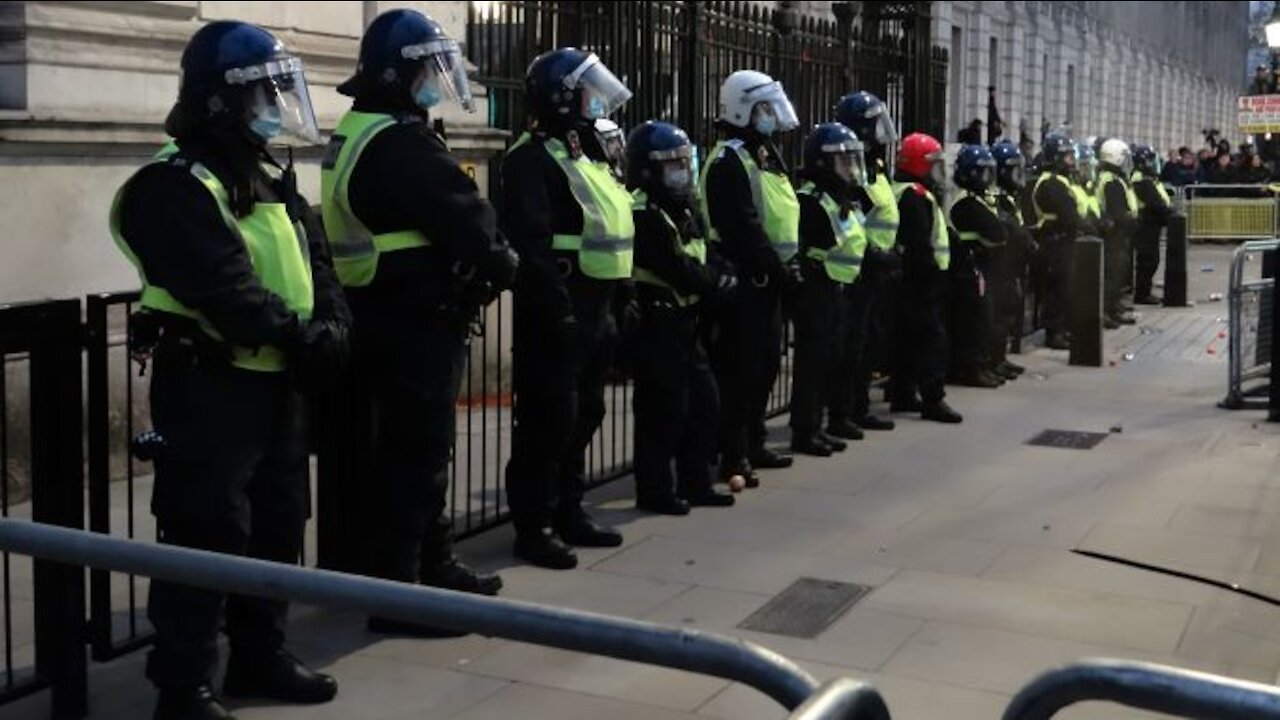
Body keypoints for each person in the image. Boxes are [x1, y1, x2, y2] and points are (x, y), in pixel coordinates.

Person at [110, 20, 347, 719]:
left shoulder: (268, 173)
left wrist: (333, 325)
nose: (276, 104)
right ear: (220, 100)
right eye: (264, 92)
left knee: (277, 525)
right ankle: (183, 685)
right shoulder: (173, 183)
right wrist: (305, 340)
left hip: (278, 382)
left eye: (281, 89)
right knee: (206, 531)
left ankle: (258, 655)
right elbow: (223, 287)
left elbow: (318, 258)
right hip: (214, 386)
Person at [321, 9, 519, 632]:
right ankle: (403, 597)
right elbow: (469, 219)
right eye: (431, 69)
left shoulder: (360, 129)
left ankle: (433, 566)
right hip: (413, 322)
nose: (440, 80)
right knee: (416, 458)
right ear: (398, 75)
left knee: (415, 454)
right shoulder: (401, 141)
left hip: (380, 312)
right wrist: (503, 262)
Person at [501, 47, 635, 569]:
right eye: (586, 89)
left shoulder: (586, 151)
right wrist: (559, 312)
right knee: (547, 419)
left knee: (587, 410)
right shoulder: (528, 157)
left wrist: (619, 302)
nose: (595, 99)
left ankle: (570, 507)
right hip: (557, 308)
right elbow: (531, 245)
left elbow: (610, 226)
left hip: (596, 303)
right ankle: (533, 525)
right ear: (561, 97)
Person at [626, 121, 737, 512]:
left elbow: (706, 253)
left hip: (688, 320)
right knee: (663, 410)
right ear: (647, 169)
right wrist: (716, 280)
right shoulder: (644, 212)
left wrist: (720, 274)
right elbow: (679, 268)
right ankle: (655, 490)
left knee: (704, 404)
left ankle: (695, 482)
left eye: (683, 162)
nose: (682, 172)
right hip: (659, 321)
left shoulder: (686, 206)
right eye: (671, 165)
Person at [699, 69, 802, 487]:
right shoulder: (728, 160)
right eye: (764, 108)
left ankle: (754, 442)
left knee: (764, 368)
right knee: (738, 374)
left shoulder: (760, 153)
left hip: (769, 280)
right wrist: (775, 269)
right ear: (742, 108)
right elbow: (743, 227)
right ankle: (732, 453)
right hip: (745, 281)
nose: (771, 116)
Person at [790, 122, 872, 455]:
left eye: (853, 161)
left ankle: (820, 424)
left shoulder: (840, 198)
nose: (850, 169)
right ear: (823, 163)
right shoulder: (812, 200)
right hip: (817, 289)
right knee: (812, 363)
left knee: (830, 360)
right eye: (843, 162)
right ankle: (805, 431)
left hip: (840, 288)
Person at [832, 90, 900, 436]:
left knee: (867, 339)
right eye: (874, 123)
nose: (881, 131)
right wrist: (876, 255)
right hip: (859, 266)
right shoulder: (850, 167)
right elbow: (853, 219)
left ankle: (858, 406)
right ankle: (845, 410)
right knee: (852, 342)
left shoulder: (873, 162)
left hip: (877, 266)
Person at [888, 132, 963, 423]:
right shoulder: (914, 196)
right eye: (933, 164)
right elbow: (921, 244)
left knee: (906, 340)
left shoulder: (901, 190)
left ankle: (903, 393)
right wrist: (935, 278)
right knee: (932, 341)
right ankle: (934, 399)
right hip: (921, 283)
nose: (937, 171)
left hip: (904, 280)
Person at [947, 144, 1007, 388]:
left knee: (984, 317)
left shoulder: (977, 199)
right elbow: (997, 232)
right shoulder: (965, 202)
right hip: (969, 267)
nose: (987, 179)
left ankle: (983, 364)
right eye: (982, 173)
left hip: (980, 266)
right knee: (974, 320)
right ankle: (971, 368)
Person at [1031, 132, 1087, 350]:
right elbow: (1068, 214)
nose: (1071, 161)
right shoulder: (1051, 183)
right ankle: (1054, 333)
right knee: (1057, 290)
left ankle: (1063, 329)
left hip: (1063, 241)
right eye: (1067, 157)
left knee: (1066, 288)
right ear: (1055, 158)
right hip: (1054, 242)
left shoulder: (1061, 181)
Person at [989, 140, 1032, 378]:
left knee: (1007, 314)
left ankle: (1000, 357)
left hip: (1012, 263)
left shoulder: (1009, 196)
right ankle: (994, 360)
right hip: (1001, 264)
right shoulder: (997, 197)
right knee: (999, 315)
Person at [1096, 138, 1138, 328]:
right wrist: (1131, 220)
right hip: (1114, 234)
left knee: (1118, 273)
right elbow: (1117, 211)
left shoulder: (1115, 179)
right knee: (1111, 274)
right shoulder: (1111, 181)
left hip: (1119, 234)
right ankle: (1106, 311)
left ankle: (1113, 308)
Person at [1130, 144, 1174, 305]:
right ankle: (1142, 294)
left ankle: (1145, 291)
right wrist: (1170, 214)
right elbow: (1154, 202)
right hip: (1145, 223)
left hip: (1151, 223)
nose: (1152, 164)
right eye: (1149, 161)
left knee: (1150, 259)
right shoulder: (1141, 180)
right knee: (1148, 260)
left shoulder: (1148, 179)